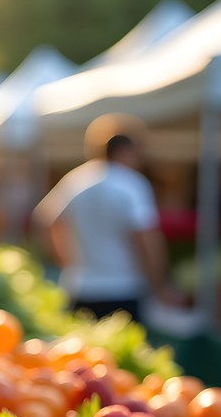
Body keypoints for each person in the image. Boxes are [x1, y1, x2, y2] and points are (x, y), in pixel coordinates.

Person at [33, 133, 180, 322]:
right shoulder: (131, 184)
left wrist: (66, 261)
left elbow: (45, 220)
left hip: (80, 288)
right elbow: (147, 238)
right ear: (125, 152)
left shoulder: (77, 180)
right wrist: (160, 285)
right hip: (123, 289)